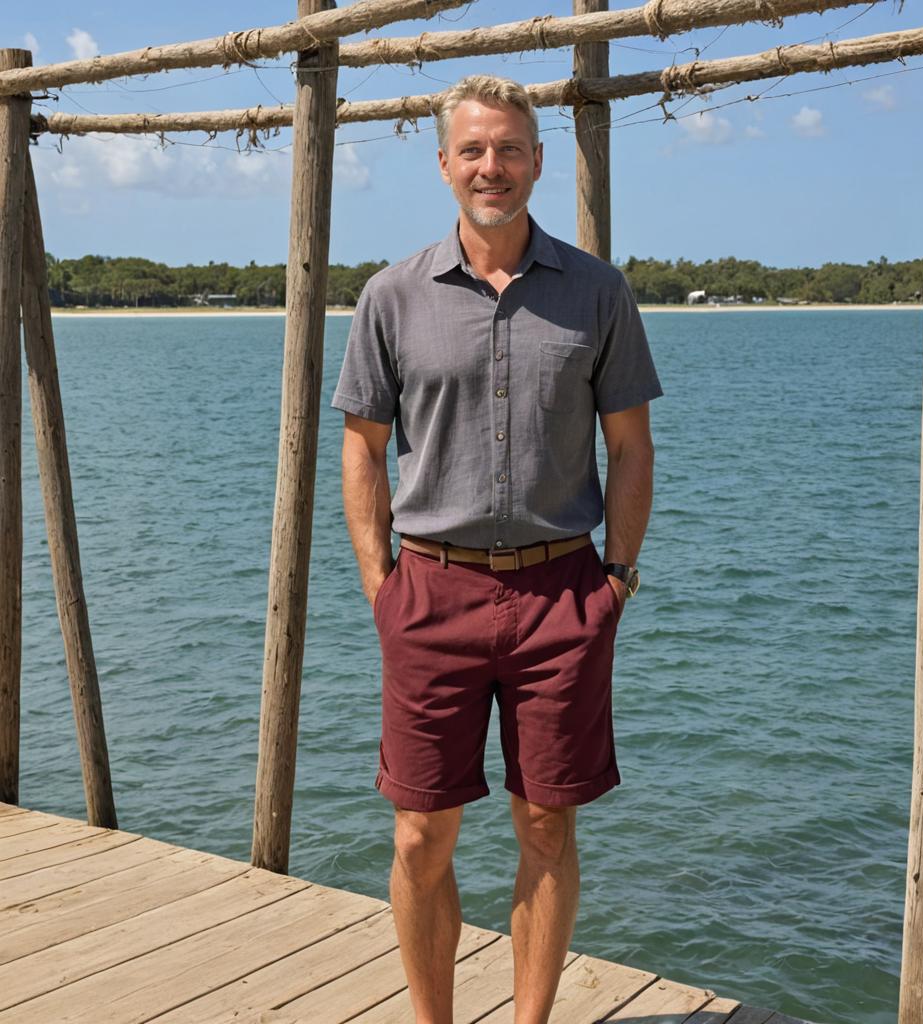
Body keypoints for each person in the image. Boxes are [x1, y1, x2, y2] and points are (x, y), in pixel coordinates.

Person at [332, 74, 662, 1024]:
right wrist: (380, 587)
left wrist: (618, 579)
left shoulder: (600, 293)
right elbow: (360, 450)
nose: (492, 167)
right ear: (444, 166)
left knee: (548, 825)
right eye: (473, 150)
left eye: (509, 149)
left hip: (565, 591)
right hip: (430, 592)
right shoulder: (392, 296)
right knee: (418, 834)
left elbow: (631, 447)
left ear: (538, 163)